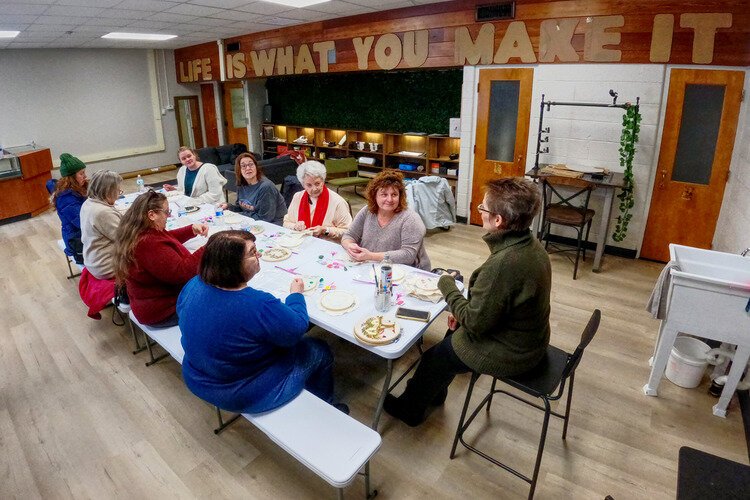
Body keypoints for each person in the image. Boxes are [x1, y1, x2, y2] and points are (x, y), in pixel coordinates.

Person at [383, 177, 552, 427]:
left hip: (513, 352)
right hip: (528, 339)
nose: (480, 211)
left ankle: (410, 411)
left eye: (483, 208)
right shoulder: (531, 246)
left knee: (432, 359)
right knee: (448, 342)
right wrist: (466, 310)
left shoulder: (504, 264)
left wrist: (448, 285)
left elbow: (476, 322)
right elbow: (496, 304)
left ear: (498, 221)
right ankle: (434, 393)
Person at [178, 230, 340, 414]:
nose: (259, 255)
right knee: (319, 349)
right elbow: (298, 328)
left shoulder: (193, 285)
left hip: (198, 376)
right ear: (233, 264)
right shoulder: (258, 304)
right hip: (241, 392)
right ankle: (326, 409)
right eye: (252, 252)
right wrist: (295, 295)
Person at [113, 190, 208, 327]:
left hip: (154, 303)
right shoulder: (147, 243)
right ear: (151, 214)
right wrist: (211, 247)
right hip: (163, 311)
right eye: (166, 212)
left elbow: (166, 239)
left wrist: (190, 230)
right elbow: (182, 273)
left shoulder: (142, 231)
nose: (168, 216)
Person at [341, 170, 430, 270]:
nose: (389, 199)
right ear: (375, 196)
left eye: (394, 194)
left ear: (400, 197)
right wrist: (350, 246)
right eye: (384, 194)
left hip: (406, 271)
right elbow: (349, 235)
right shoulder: (367, 211)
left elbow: (408, 255)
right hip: (372, 266)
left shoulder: (411, 219)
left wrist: (370, 256)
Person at [283, 160, 352, 239]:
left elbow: (348, 232)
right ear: (303, 185)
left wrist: (325, 230)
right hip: (301, 242)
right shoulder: (297, 197)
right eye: (309, 185)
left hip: (326, 245)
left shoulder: (338, 202)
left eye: (317, 183)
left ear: (323, 181)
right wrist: (295, 226)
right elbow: (286, 223)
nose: (314, 188)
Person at [220, 152, 286, 225]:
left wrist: (238, 216)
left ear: (256, 167)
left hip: (273, 225)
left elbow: (265, 218)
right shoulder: (241, 185)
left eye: (251, 164)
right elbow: (242, 207)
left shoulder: (266, 187)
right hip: (251, 222)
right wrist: (229, 207)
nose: (248, 168)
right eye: (243, 166)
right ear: (239, 170)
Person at [80, 170, 123, 280]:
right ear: (108, 192)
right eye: (118, 191)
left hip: (92, 260)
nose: (118, 195)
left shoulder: (88, 203)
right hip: (105, 266)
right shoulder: (103, 212)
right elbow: (126, 238)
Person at [52, 153, 88, 264]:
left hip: (81, 235)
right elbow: (83, 223)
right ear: (71, 177)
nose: (85, 176)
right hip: (76, 241)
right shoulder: (66, 198)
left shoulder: (79, 189)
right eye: (81, 174)